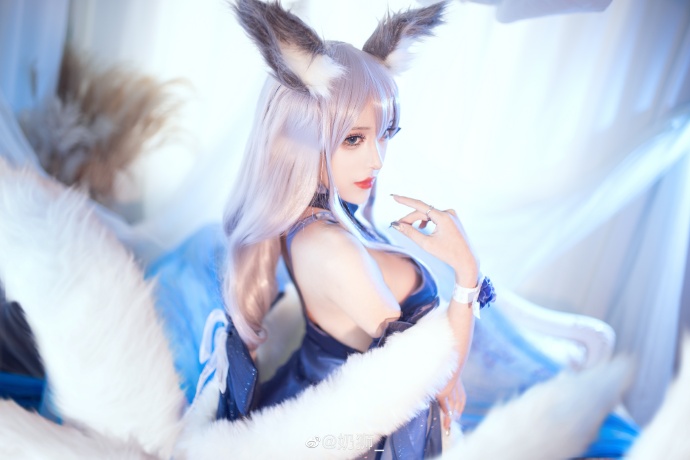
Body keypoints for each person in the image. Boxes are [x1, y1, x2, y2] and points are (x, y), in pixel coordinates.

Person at [204, 1, 495, 458]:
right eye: (354, 139)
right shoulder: (329, 245)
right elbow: (428, 380)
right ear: (303, 135)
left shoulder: (317, 221)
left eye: (385, 134)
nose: (376, 159)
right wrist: (466, 272)